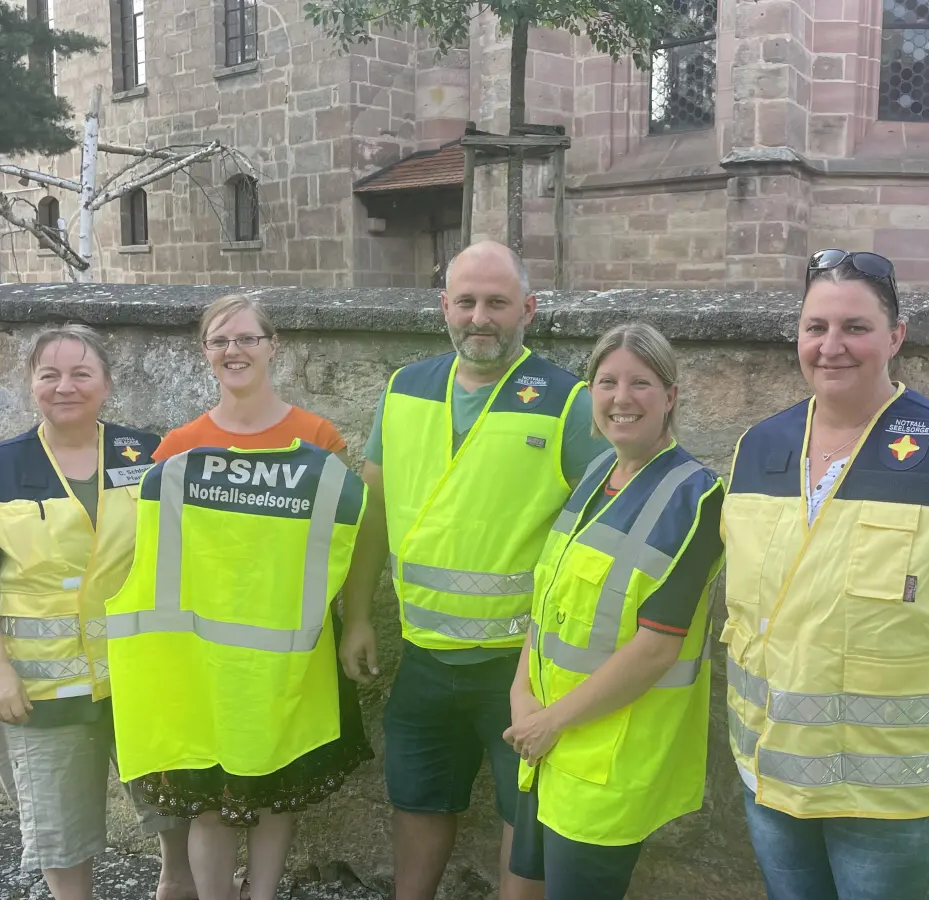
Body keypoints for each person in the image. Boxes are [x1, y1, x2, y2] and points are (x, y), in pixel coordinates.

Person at [722, 249, 929, 900]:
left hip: (895, 807)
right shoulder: (758, 449)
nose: (833, 346)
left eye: (856, 327)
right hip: (770, 781)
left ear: (895, 337)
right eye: (816, 327)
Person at [342, 240, 611, 900]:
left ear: (529, 309)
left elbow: (601, 533)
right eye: (466, 302)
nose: (480, 318)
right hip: (425, 657)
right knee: (419, 799)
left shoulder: (567, 401)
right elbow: (372, 515)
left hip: (521, 665)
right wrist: (355, 616)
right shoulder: (405, 389)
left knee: (526, 811)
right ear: (444, 307)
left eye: (497, 303)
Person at [114, 295, 374, 900]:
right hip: (200, 662)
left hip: (290, 655)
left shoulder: (317, 439)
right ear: (205, 353)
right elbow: (147, 557)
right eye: (220, 341)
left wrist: (356, 618)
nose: (234, 351)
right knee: (207, 803)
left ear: (272, 346)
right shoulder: (178, 447)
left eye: (247, 339)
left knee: (276, 793)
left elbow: (348, 540)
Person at [0, 324, 195, 900]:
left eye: (81, 373)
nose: (65, 386)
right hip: (44, 683)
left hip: (142, 672)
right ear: (31, 385)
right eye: (49, 374)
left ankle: (177, 882)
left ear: (106, 383)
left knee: (171, 794)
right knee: (59, 823)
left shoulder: (147, 455)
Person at [503, 323, 726, 900]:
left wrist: (548, 721)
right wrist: (521, 694)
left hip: (608, 756)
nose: (621, 398)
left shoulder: (697, 497)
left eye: (641, 383)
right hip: (547, 745)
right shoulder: (597, 475)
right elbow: (548, 603)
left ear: (670, 396)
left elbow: (656, 648)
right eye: (607, 382)